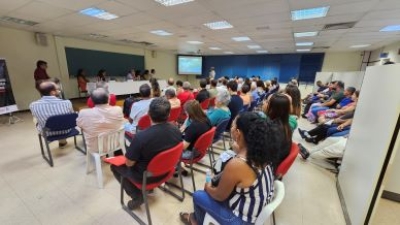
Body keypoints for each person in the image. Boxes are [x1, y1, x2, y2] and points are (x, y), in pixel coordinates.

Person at [179, 112, 278, 225]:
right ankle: (197, 217)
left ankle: (196, 221)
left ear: (238, 133)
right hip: (253, 211)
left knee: (198, 195)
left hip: (240, 220)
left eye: (233, 125)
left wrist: (208, 187)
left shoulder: (238, 164)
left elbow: (219, 196)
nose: (232, 127)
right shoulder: (264, 152)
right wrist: (239, 148)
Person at [111, 97, 182, 209]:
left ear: (148, 114)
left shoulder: (141, 137)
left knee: (115, 167)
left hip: (146, 178)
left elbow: (129, 163)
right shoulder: (177, 130)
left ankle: (137, 196)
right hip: (167, 172)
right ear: (169, 115)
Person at [77, 88, 125, 152]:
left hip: (96, 148)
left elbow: (79, 125)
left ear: (92, 100)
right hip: (115, 144)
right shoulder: (118, 109)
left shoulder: (83, 113)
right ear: (109, 98)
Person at [29, 81, 74, 148]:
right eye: (57, 89)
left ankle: (52, 139)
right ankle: (62, 141)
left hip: (48, 133)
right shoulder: (67, 102)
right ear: (52, 92)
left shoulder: (33, 105)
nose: (59, 91)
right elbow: (72, 116)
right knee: (64, 116)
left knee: (35, 118)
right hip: (66, 130)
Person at [262, 93, 293, 164]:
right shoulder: (284, 125)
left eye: (267, 102)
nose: (264, 103)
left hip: (266, 165)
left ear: (273, 108)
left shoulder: (272, 129)